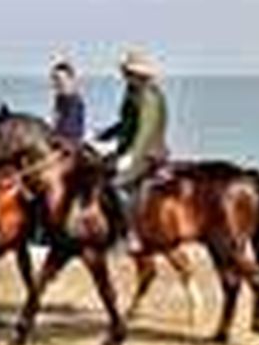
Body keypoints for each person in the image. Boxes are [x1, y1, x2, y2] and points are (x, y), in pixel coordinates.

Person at [96, 49, 169, 236]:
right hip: (128, 150)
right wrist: (103, 134)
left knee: (116, 185)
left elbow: (145, 131)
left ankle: (132, 232)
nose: (124, 76)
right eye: (125, 72)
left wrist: (131, 157)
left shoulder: (149, 96)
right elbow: (126, 123)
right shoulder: (132, 92)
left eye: (128, 72)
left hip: (148, 154)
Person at [49, 59, 86, 145]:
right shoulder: (60, 98)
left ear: (70, 79)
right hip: (59, 141)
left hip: (71, 144)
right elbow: (56, 121)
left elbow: (71, 129)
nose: (56, 83)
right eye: (54, 79)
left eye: (59, 79)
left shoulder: (74, 100)